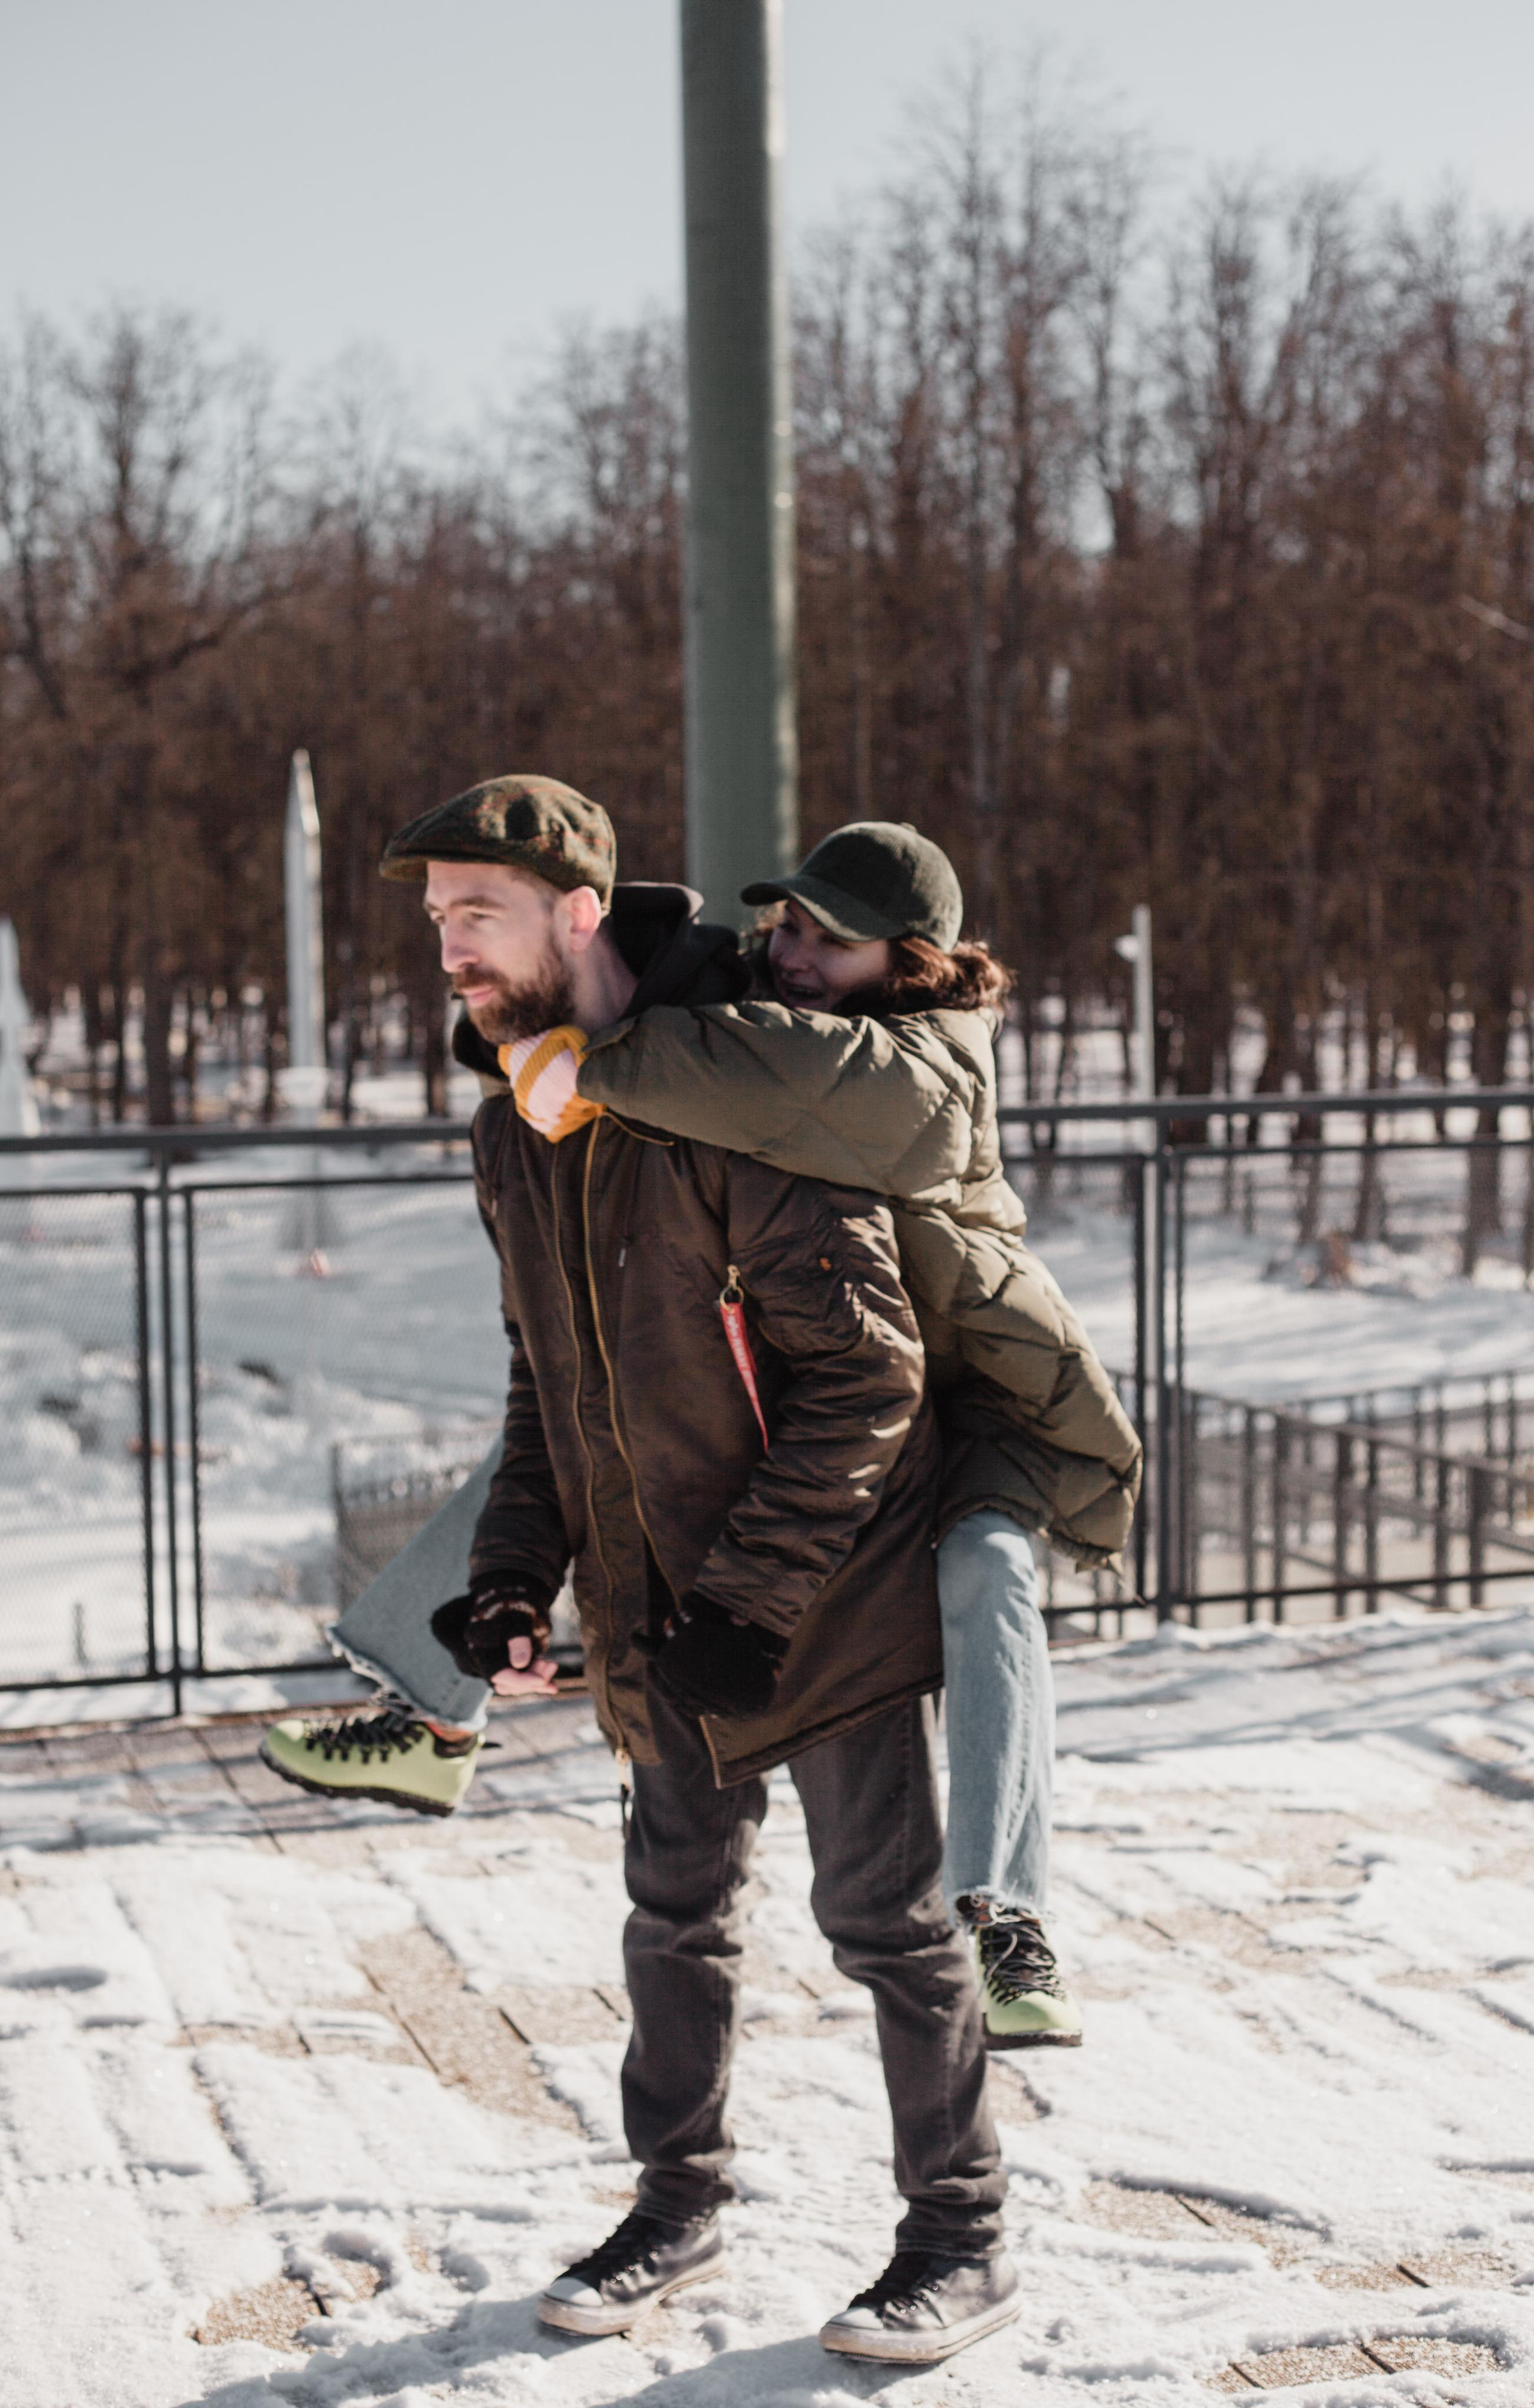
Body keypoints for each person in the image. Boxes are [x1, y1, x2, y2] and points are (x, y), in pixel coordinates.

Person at [275, 775, 1016, 2365]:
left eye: (478, 914)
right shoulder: (517, 1123)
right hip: (655, 1603)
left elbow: (867, 1381)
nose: (450, 948)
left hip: (822, 1591)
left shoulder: (742, 1092)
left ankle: (960, 2237)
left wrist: (752, 1603)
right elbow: (550, 1385)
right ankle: (676, 2203)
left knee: (882, 1922)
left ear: (578, 912)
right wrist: (505, 1581)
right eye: (436, 920)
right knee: (671, 1915)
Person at [267, 820, 1141, 2054]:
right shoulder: (758, 1014)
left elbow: (778, 1077)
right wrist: (526, 1022)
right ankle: (432, 1711)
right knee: (592, 1421)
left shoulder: (931, 1061)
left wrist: (591, 1062)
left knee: (989, 1574)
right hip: (829, 1377)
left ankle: (1004, 1906)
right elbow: (614, 1010)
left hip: (959, 1398)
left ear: (913, 959)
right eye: (782, 925)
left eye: (826, 942)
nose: (788, 952)